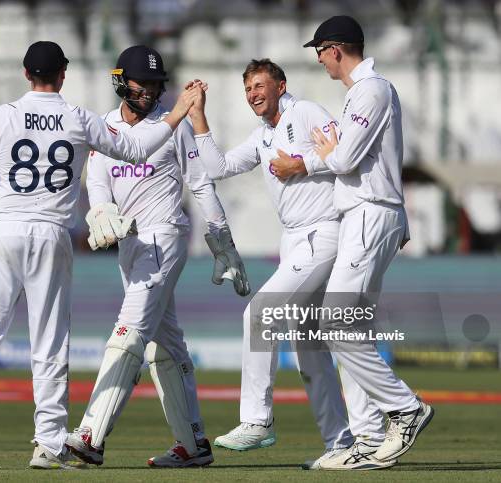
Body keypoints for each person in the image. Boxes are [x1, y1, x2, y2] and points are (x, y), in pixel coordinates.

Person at [0, 40, 199, 470]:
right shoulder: (77, 117)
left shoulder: (2, 116)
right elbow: (134, 149)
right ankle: (49, 443)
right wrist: (180, 111)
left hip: (3, 231)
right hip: (51, 234)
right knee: (49, 345)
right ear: (63, 75)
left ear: (25, 73)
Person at [64, 45, 249, 469]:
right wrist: (100, 212)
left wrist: (223, 244)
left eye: (154, 83)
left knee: (128, 333)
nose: (148, 90)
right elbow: (97, 180)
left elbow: (201, 183)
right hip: (130, 244)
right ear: (120, 82)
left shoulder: (174, 123)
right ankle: (193, 444)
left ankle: (91, 436)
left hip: (165, 237)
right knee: (163, 347)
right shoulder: (106, 126)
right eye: (140, 83)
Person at [187, 59, 360, 469]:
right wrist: (198, 116)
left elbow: (342, 155)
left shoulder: (305, 113)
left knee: (260, 314)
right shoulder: (263, 135)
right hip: (296, 239)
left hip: (323, 232)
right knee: (309, 346)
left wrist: (300, 163)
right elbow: (218, 168)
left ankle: (256, 420)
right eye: (248, 89)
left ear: (281, 85)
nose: (253, 95)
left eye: (260, 86)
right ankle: (341, 441)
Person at [292, 15, 434, 469]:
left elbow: (347, 157)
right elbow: (343, 156)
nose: (318, 60)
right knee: (351, 330)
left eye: (320, 50)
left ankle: (406, 408)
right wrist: (327, 152)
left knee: (335, 324)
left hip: (371, 213)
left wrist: (329, 149)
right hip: (363, 212)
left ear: (335, 49)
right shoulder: (360, 93)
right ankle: (369, 438)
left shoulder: (372, 89)